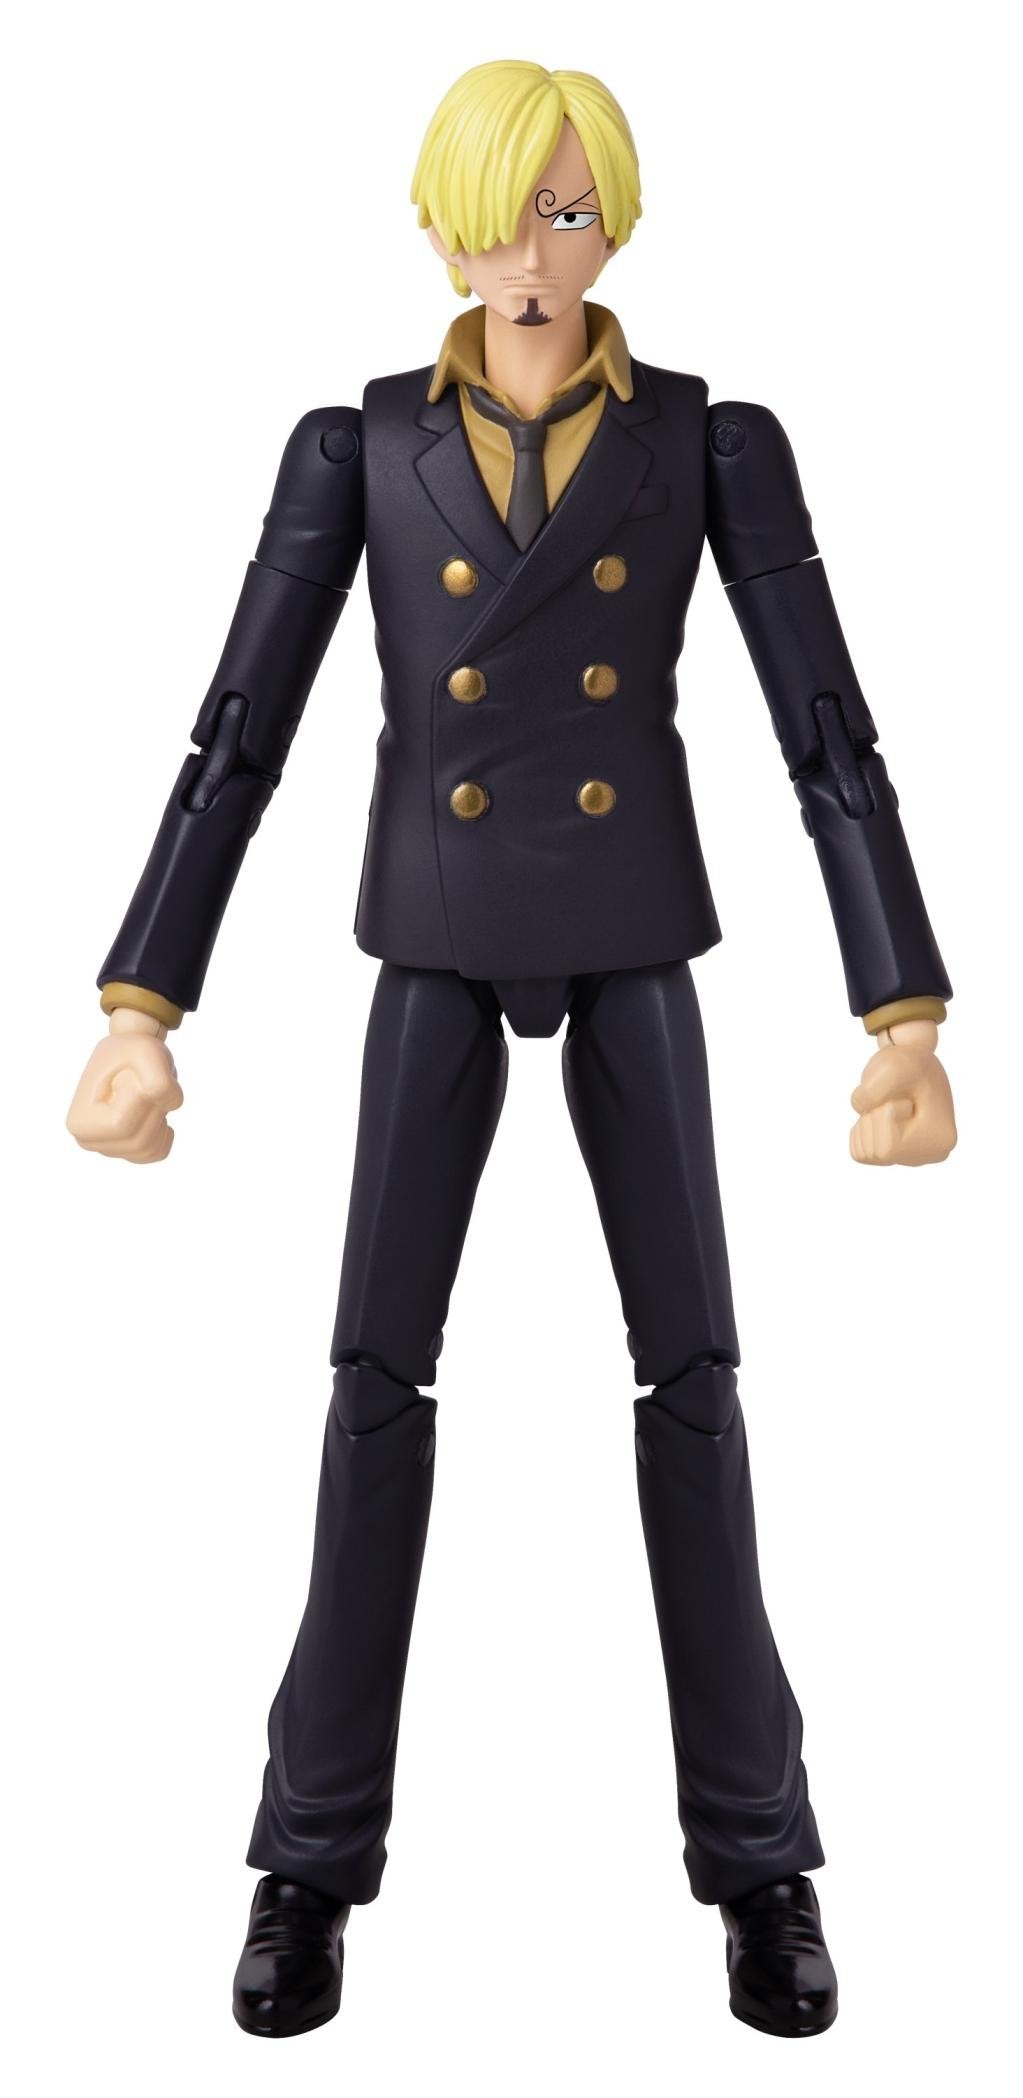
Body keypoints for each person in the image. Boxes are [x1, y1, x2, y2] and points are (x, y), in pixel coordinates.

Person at [67, 59, 956, 2041]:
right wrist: (143, 998)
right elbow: (240, 728)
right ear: (437, 225)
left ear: (616, 222)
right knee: (372, 1383)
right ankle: (308, 1854)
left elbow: (825, 725)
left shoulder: (705, 441)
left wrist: (898, 1003)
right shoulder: (359, 443)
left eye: (567, 213)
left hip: (633, 928)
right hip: (436, 934)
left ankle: (760, 1851)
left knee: (695, 1383)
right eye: (497, 216)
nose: (533, 254)